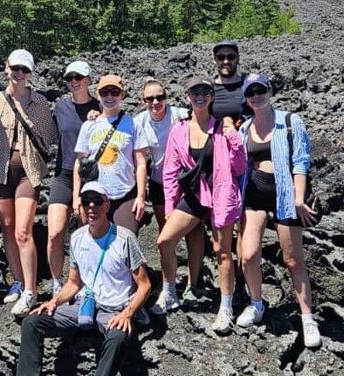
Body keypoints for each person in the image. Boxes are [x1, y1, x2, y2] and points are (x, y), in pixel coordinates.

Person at [0, 184, 152, 376]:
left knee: (118, 337)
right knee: (33, 322)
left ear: (107, 205)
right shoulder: (77, 238)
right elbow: (74, 283)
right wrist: (54, 302)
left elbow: (145, 284)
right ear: (79, 207)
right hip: (85, 306)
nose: (91, 207)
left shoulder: (124, 239)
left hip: (114, 309)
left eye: (97, 202)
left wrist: (127, 313)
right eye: (86, 202)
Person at [152, 74, 247, 334]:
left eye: (205, 91)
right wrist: (171, 207)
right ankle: (170, 291)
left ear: (212, 96)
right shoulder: (180, 129)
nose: (200, 95)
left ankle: (225, 307)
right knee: (164, 241)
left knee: (222, 251)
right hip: (195, 195)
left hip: (221, 196)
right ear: (187, 97)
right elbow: (170, 171)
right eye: (195, 92)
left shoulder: (221, 129)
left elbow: (239, 168)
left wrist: (234, 139)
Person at [236, 73, 321, 347]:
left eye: (261, 90)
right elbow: (241, 164)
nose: (256, 95)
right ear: (246, 98)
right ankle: (257, 303)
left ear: (270, 91)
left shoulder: (289, 121)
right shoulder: (244, 127)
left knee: (293, 260)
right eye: (251, 92)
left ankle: (308, 318)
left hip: (285, 194)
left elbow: (301, 161)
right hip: (255, 193)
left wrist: (299, 198)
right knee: (248, 255)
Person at [0, 48, 57, 319]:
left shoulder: (39, 102)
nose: (19, 74)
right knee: (7, 226)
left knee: (23, 231)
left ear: (30, 74)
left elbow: (49, 137)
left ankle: (30, 289)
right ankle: (16, 279)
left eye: (25, 70)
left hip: (29, 173)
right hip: (1, 172)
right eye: (16, 68)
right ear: (6, 67)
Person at [47, 60, 101, 296]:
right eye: (70, 78)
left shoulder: (100, 106)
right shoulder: (60, 107)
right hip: (63, 174)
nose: (74, 82)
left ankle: (82, 280)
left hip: (91, 175)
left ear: (89, 79)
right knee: (55, 232)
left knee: (86, 231)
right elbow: (47, 135)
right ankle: (57, 281)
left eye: (78, 77)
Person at [72, 74, 152, 234]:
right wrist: (76, 197)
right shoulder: (89, 125)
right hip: (94, 194)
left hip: (125, 193)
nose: (109, 96)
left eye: (114, 92)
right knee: (93, 245)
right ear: (97, 95)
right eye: (104, 92)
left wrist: (141, 196)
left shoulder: (132, 123)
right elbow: (79, 162)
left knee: (126, 242)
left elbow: (141, 162)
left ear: (122, 95)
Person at [133, 79, 188, 235]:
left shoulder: (181, 116)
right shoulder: (139, 122)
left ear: (166, 96)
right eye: (149, 99)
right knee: (165, 230)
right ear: (143, 100)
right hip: (159, 182)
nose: (155, 102)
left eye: (160, 97)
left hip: (184, 181)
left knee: (193, 230)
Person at [211, 39, 247, 125]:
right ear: (215, 60)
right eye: (221, 57)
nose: (226, 61)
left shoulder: (249, 87)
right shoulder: (207, 88)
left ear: (238, 59)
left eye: (231, 57)